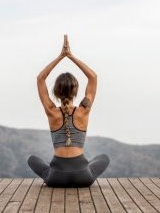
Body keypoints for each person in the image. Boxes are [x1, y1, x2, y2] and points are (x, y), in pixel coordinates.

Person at [27, 35, 110, 187]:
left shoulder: (51, 111)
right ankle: (82, 167)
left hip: (56, 178)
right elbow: (93, 77)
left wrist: (60, 57)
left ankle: (54, 169)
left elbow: (40, 79)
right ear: (76, 90)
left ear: (56, 92)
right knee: (103, 157)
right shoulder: (84, 110)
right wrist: (71, 56)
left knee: (32, 159)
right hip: (83, 177)